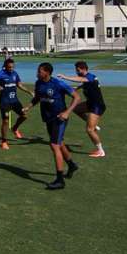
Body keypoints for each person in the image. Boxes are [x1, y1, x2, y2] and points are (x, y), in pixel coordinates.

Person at [23, 62, 80, 190]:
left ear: (47, 73)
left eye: (39, 71)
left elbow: (77, 97)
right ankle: (71, 165)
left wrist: (67, 112)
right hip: (48, 119)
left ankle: (60, 180)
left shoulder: (58, 84)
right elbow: (37, 98)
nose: (37, 73)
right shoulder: (38, 83)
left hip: (59, 119)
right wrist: (28, 107)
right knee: (59, 143)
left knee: (54, 145)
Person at [58, 61, 107, 158]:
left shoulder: (91, 77)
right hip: (90, 104)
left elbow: (81, 79)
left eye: (77, 70)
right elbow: (83, 83)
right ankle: (93, 124)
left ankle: (100, 151)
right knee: (76, 109)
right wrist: (76, 88)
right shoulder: (86, 79)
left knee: (89, 130)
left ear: (84, 69)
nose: (76, 72)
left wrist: (65, 77)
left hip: (97, 106)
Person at [0, 57, 34, 150]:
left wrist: (29, 92)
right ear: (5, 67)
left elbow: (19, 85)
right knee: (5, 121)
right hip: (4, 102)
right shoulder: (0, 74)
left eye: (12, 67)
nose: (11, 69)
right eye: (9, 67)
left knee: (24, 116)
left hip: (15, 101)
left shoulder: (15, 74)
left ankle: (14, 128)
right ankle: (4, 142)